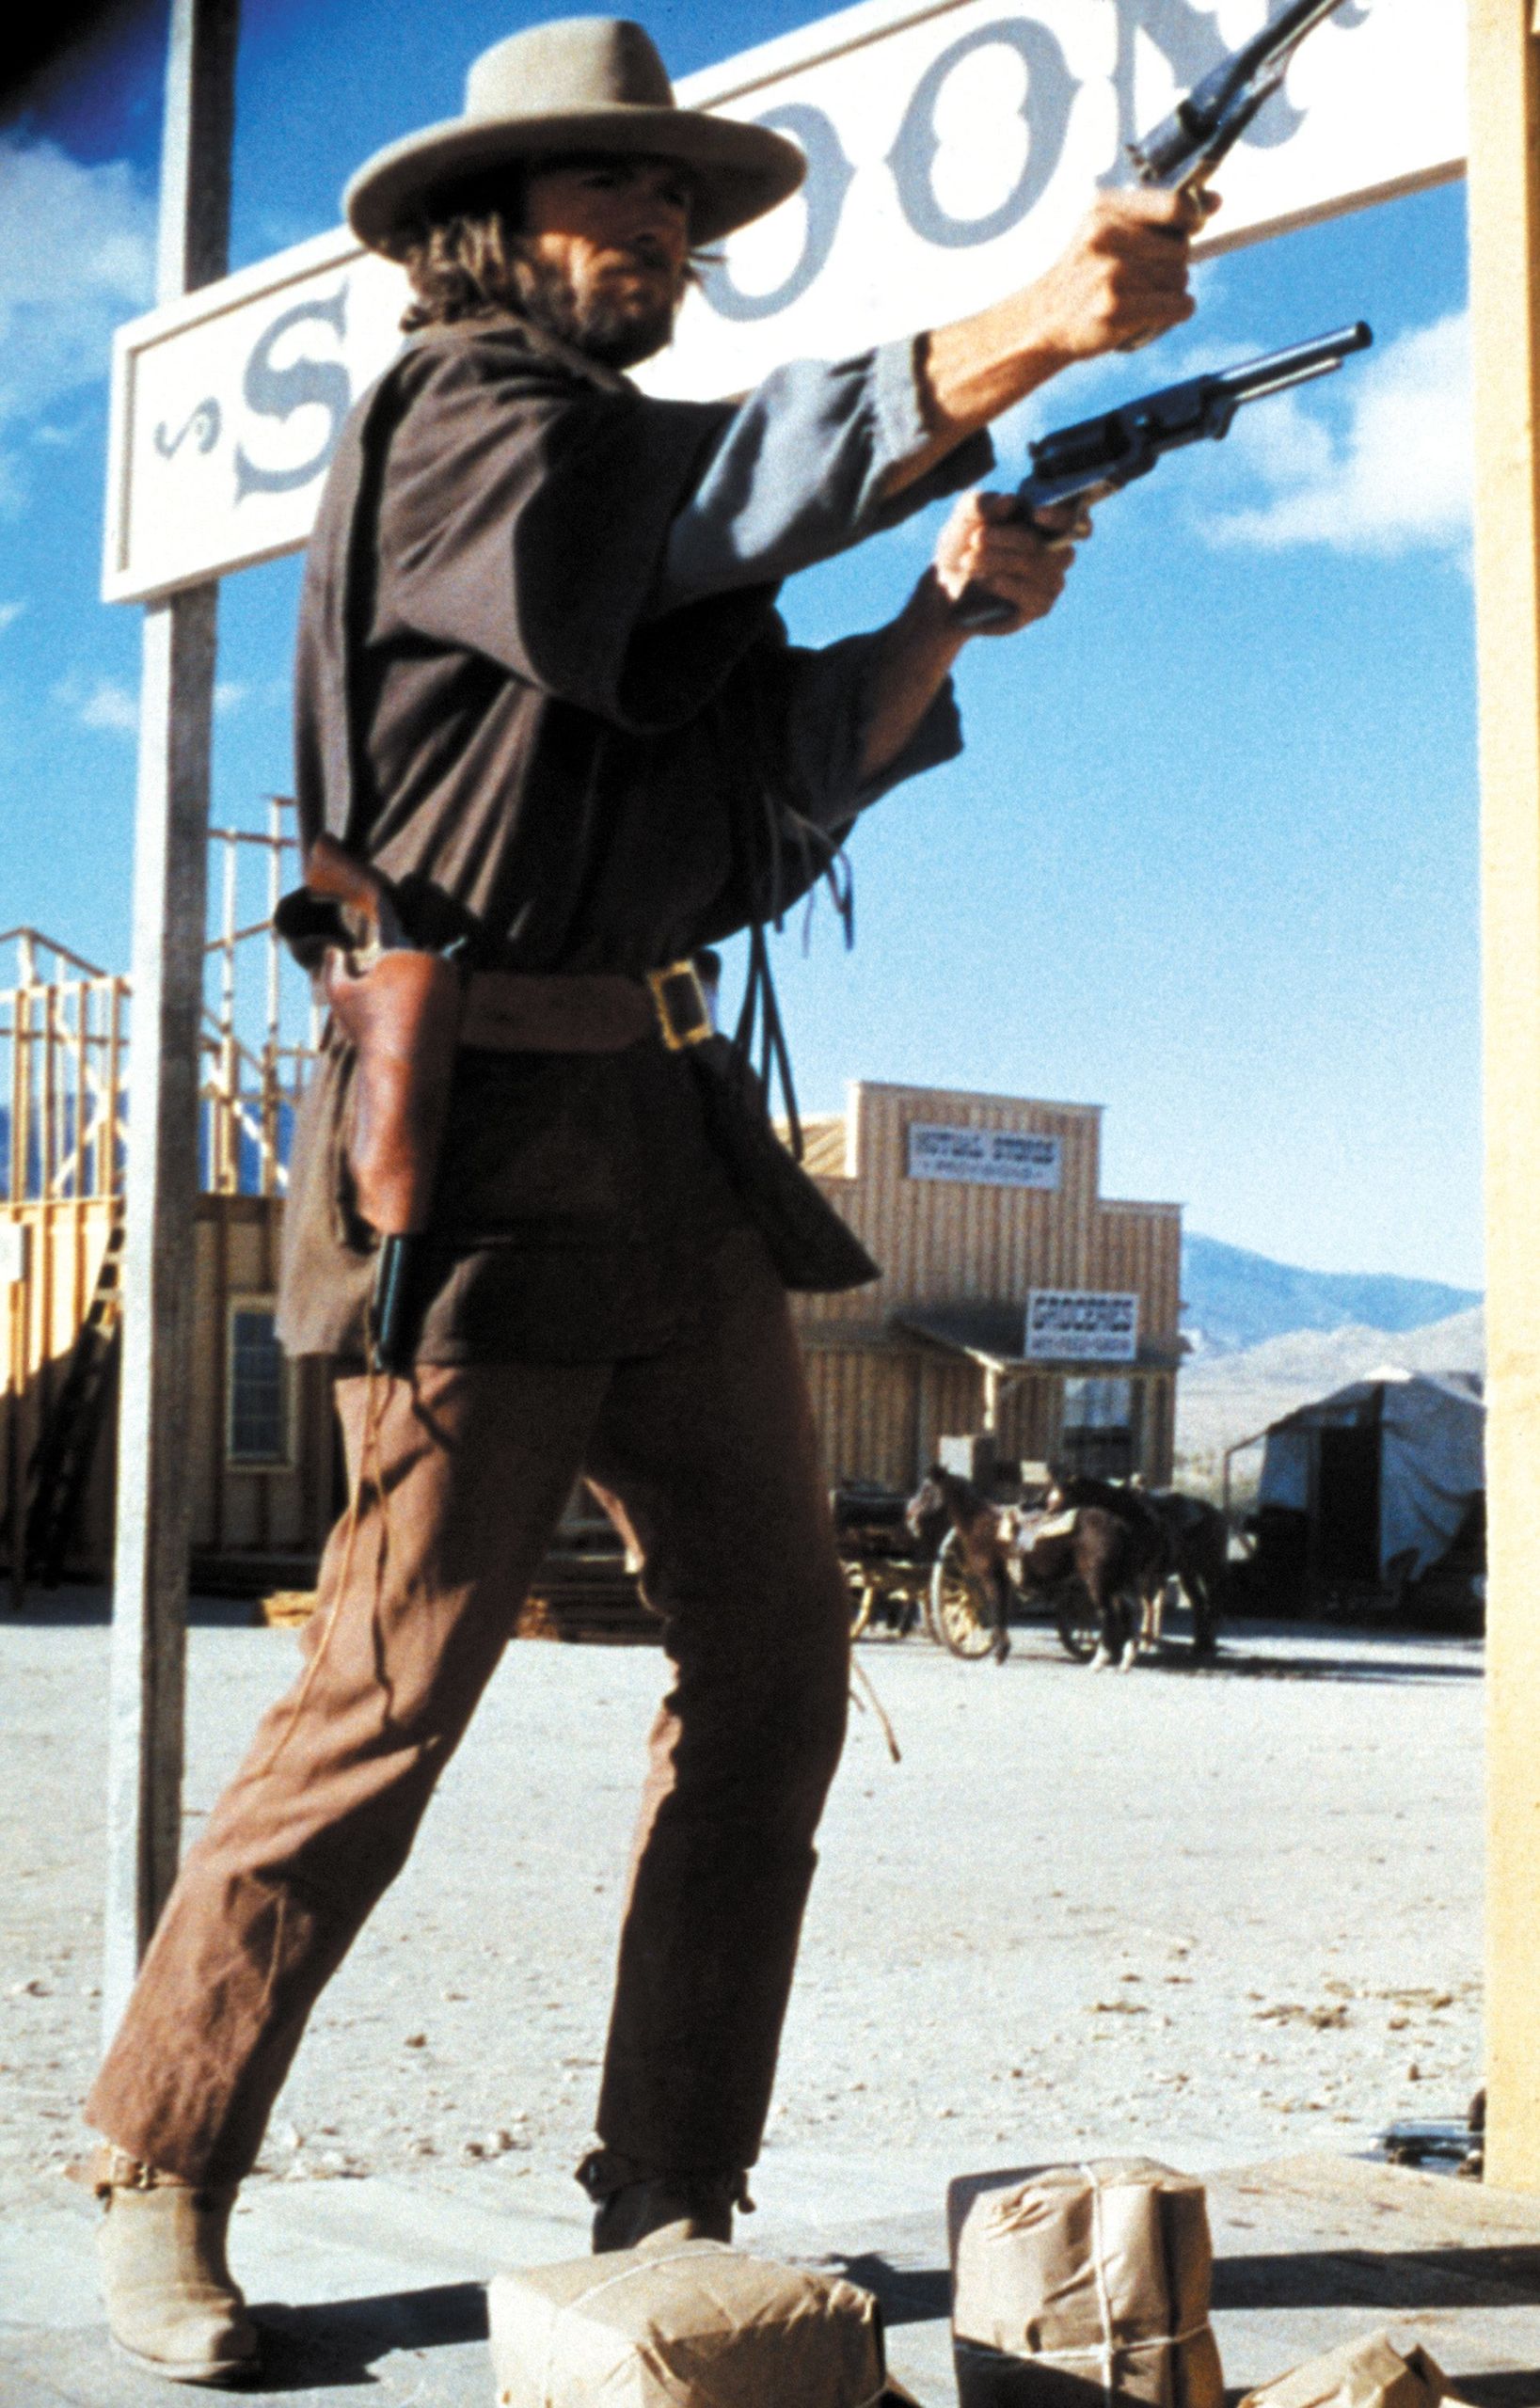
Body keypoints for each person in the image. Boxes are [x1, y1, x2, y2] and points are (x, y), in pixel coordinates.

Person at [82, 16, 1204, 2384]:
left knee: (780, 1662)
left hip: (668, 1156)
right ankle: (163, 2159)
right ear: (491, 230)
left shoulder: (638, 506)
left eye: (686, 204)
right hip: (474, 1160)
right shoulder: (464, 424)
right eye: (624, 192)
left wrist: (948, 611)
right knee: (392, 1687)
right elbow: (684, 511)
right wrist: (1015, 334)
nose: (667, 233)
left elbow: (758, 798)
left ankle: (671, 2183)